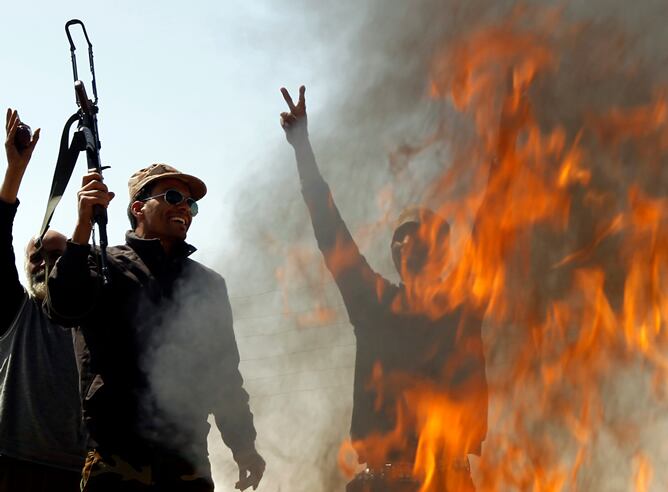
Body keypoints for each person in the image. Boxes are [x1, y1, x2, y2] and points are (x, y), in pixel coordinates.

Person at [279, 86, 490, 491]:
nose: (410, 244)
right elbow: (330, 229)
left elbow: (492, 225)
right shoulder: (373, 303)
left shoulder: (464, 306)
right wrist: (301, 147)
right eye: (402, 238)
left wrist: (506, 148)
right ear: (395, 254)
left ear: (443, 254)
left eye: (423, 239)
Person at [46, 163, 265, 491]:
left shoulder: (207, 284)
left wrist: (243, 445)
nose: (184, 208)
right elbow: (62, 307)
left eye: (190, 204)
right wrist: (82, 226)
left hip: (186, 459)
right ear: (138, 208)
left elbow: (223, 375)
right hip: (117, 459)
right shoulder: (99, 263)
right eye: (174, 196)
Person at [0, 108, 86, 491]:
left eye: (56, 256)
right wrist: (15, 172)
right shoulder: (14, 310)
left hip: (80, 471)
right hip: (14, 463)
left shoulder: (92, 316)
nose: (44, 265)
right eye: (37, 256)